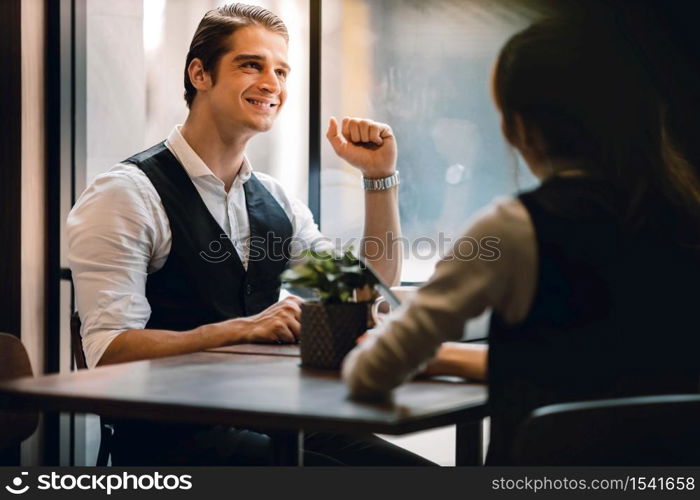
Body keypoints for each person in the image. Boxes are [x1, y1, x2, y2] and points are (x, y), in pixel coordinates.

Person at [67, 3, 431, 466]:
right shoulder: (126, 194)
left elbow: (361, 287)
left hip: (274, 418)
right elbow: (107, 354)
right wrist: (243, 328)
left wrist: (379, 178)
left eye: (281, 71)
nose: (272, 84)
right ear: (199, 74)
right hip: (175, 443)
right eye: (251, 65)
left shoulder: (275, 199)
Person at [342, 16, 700, 465]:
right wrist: (455, 358)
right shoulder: (684, 215)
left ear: (519, 128)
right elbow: (616, 368)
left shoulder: (517, 226)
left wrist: (426, 353)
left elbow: (370, 374)